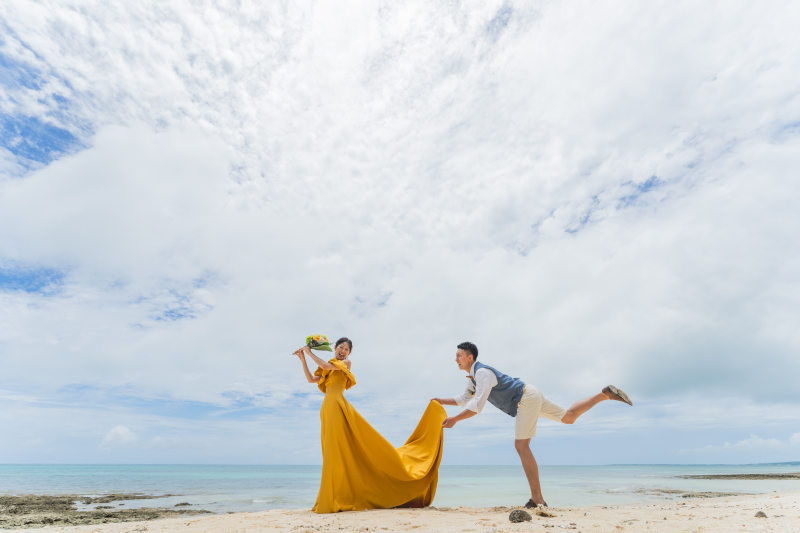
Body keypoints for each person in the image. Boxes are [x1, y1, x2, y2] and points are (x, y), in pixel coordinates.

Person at [431, 341, 632, 508]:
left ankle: (537, 499)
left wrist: (455, 419)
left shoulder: (483, 373)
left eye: (459, 355)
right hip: (529, 394)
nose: (456, 359)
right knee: (569, 417)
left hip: (525, 398)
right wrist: (442, 401)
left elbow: (477, 405)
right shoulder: (473, 378)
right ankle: (604, 394)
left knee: (521, 445)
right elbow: (465, 398)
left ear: (470, 358)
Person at [295, 338, 447, 513]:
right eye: (341, 347)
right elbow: (311, 379)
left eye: (346, 349)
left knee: (339, 450)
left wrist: (309, 352)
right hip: (327, 408)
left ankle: (337, 497)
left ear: (349, 353)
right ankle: (335, 494)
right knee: (332, 450)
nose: (343, 351)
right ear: (335, 348)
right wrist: (303, 359)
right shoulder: (327, 366)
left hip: (338, 406)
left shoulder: (345, 364)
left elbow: (325, 366)